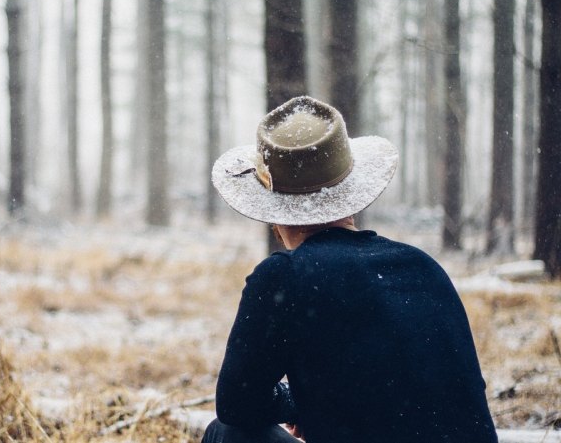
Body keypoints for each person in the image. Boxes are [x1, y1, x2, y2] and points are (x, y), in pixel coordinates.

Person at [202, 96, 498, 443]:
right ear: (350, 195)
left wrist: (293, 403)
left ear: (273, 212)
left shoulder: (283, 276)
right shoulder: (422, 266)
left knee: (225, 433)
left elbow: (237, 404)